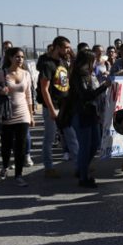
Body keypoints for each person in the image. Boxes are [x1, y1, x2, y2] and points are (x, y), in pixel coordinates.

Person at [36, 36, 79, 178]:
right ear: (57, 47)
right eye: (66, 47)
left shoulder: (62, 61)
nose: (68, 50)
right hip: (53, 106)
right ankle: (48, 167)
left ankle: (79, 165)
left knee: (71, 135)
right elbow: (44, 89)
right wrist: (51, 109)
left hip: (65, 105)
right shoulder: (47, 64)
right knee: (49, 138)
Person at [68, 50, 110, 188]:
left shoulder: (88, 74)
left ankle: (81, 168)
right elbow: (86, 95)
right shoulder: (78, 75)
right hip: (81, 114)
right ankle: (83, 177)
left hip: (91, 113)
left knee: (95, 143)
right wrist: (104, 87)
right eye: (93, 60)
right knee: (85, 147)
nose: (95, 63)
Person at [0, 47, 34, 187]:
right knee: (6, 144)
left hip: (23, 114)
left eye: (22, 57)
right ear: (10, 58)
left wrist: (31, 115)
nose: (20, 59)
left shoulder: (26, 74)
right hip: (7, 114)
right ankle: (4, 166)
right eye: (17, 56)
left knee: (21, 145)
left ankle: (19, 174)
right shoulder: (2, 73)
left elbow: (29, 95)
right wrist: (0, 90)